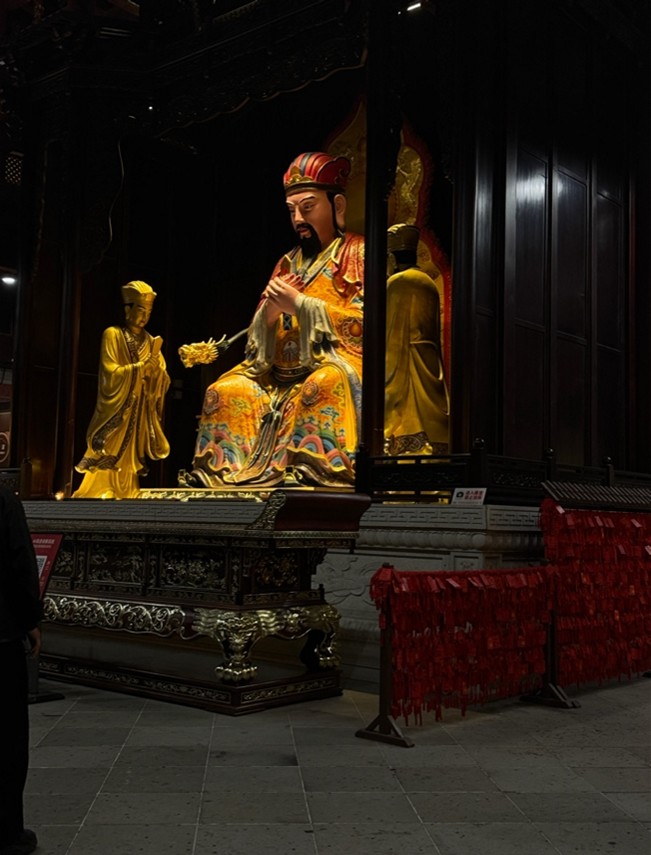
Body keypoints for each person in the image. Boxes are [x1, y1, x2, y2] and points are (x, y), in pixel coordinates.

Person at [186, 151, 365, 489]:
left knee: (322, 384)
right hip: (275, 373)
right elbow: (258, 337)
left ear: (337, 206)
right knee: (224, 390)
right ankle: (218, 472)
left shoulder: (358, 254)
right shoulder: (286, 263)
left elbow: (365, 323)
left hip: (332, 365)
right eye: (291, 210)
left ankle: (313, 468)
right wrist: (267, 316)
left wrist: (301, 305)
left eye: (308, 208)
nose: (298, 219)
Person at [73, 280, 170, 499]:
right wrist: (140, 368)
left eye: (149, 312)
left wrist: (156, 372)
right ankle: (100, 487)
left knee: (130, 452)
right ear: (128, 309)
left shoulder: (150, 341)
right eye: (141, 310)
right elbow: (110, 371)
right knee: (108, 443)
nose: (145, 316)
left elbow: (162, 377)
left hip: (138, 406)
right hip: (118, 404)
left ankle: (126, 488)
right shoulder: (113, 334)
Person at [0, 487, 42, 855]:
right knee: (6, 738)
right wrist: (30, 620)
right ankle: (6, 832)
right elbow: (20, 562)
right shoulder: (2, 498)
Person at [384, 223, 449, 455]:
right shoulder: (427, 281)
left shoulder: (398, 283)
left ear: (392, 258)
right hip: (428, 361)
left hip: (407, 362)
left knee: (407, 420)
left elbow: (393, 337)